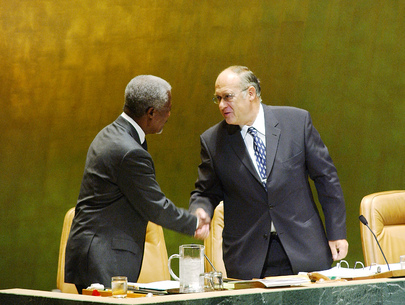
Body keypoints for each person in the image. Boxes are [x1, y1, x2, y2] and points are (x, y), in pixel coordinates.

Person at [189, 65, 348, 280]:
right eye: (217, 98)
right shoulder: (213, 141)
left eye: (227, 97)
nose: (221, 105)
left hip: (304, 248)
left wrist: (337, 232)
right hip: (249, 258)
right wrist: (200, 211)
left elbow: (326, 178)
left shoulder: (296, 122)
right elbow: (205, 192)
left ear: (251, 93)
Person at [65, 75, 209, 293]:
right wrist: (193, 223)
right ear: (151, 112)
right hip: (102, 259)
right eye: (167, 109)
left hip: (91, 253)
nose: (169, 115)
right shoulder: (129, 150)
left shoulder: (110, 134)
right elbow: (154, 206)